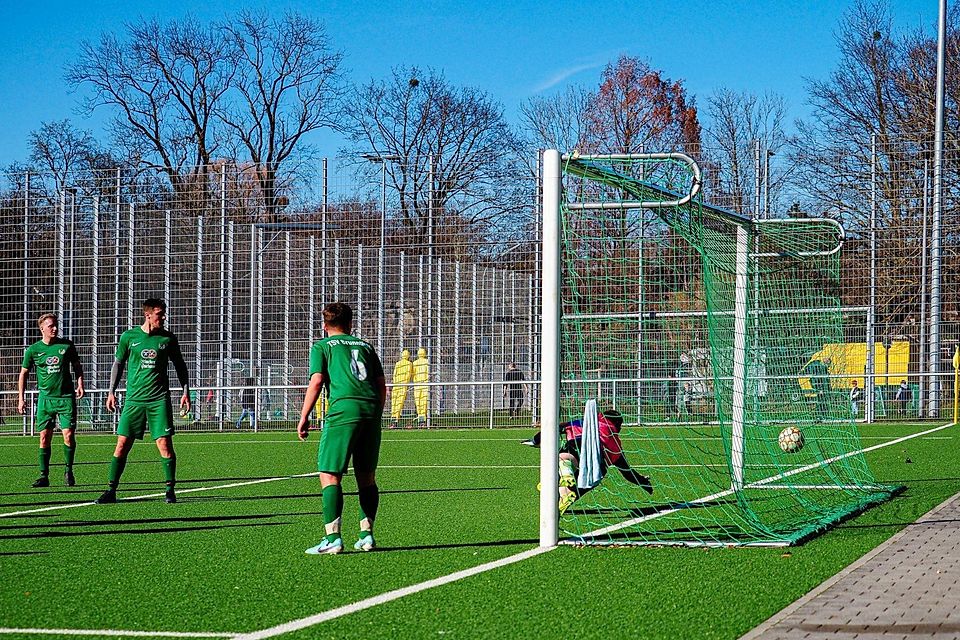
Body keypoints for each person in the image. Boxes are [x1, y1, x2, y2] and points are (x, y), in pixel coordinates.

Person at [297, 302, 386, 555]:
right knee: (366, 477)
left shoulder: (322, 346)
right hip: (370, 410)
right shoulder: (366, 346)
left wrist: (304, 416)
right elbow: (381, 386)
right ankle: (367, 535)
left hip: (343, 410)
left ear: (325, 326)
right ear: (350, 324)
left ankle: (332, 538)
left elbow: (317, 381)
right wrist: (375, 414)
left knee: (329, 474)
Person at [95, 298, 191, 505]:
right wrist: (111, 391)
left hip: (159, 400)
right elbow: (118, 364)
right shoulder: (129, 337)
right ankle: (110, 490)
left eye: (164, 313)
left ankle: (169, 490)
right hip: (134, 400)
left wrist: (186, 391)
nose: (163, 317)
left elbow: (180, 366)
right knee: (121, 445)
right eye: (159, 314)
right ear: (147, 315)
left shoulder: (168, 339)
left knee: (164, 444)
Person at [522, 408, 653, 514]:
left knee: (563, 457)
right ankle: (565, 495)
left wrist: (536, 440)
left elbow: (554, 428)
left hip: (581, 446)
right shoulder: (616, 443)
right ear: (618, 425)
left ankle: (564, 475)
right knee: (582, 485)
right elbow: (626, 472)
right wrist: (643, 482)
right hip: (598, 467)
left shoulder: (586, 422)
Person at [18, 313, 85, 488]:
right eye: (51, 326)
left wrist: (80, 384)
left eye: (56, 325)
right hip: (45, 399)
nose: (55, 328)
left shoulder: (67, 346)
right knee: (43, 438)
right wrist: (21, 398)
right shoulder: (33, 350)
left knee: (68, 436)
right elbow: (23, 374)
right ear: (42, 329)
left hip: (65, 398)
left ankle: (68, 470)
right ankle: (43, 476)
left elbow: (77, 366)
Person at [389, 349, 413, 429]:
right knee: (399, 403)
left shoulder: (397, 363)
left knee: (394, 404)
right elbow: (408, 374)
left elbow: (394, 374)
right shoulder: (409, 364)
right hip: (402, 386)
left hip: (396, 385)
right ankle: (395, 421)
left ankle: (392, 421)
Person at [412, 347, 430, 428]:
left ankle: (420, 420)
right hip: (425, 385)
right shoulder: (427, 362)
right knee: (424, 403)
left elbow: (413, 374)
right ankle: (423, 420)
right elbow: (428, 373)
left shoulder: (414, 363)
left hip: (417, 385)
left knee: (418, 403)